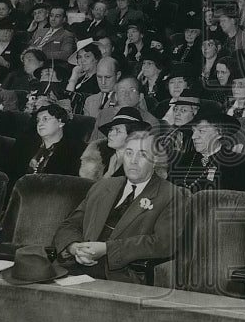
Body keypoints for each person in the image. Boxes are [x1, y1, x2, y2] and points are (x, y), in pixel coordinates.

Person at [53, 130, 187, 282]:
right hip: (74, 266)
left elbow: (164, 243)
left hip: (120, 275)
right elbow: (69, 224)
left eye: (142, 154)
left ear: (155, 159)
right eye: (129, 153)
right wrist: (74, 247)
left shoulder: (170, 195)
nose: (133, 160)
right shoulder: (103, 186)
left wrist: (107, 250)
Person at [19, 103, 84, 176]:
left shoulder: (75, 151)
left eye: (45, 119)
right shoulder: (25, 145)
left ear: (60, 122)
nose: (40, 124)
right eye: (38, 120)